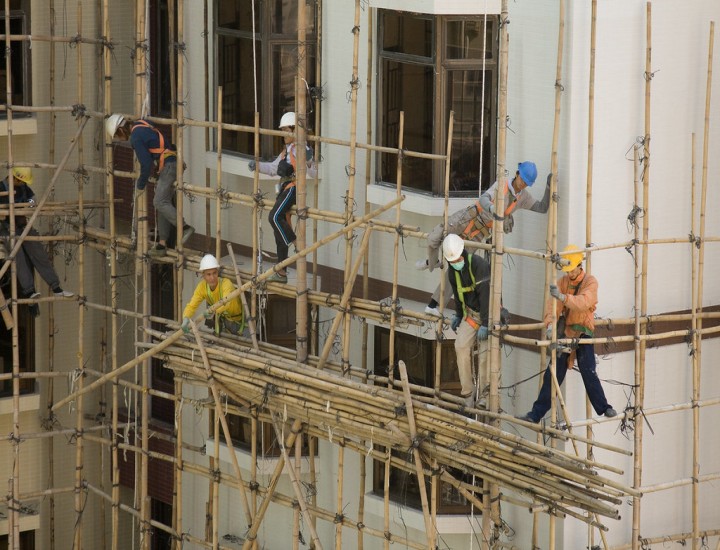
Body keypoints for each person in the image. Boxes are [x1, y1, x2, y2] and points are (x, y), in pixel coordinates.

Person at [419, 161, 551, 315]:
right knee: (435, 237)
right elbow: (483, 199)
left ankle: (433, 305)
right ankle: (432, 262)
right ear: (517, 174)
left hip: (479, 234)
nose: (523, 185)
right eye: (522, 180)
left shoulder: (523, 198)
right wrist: (492, 208)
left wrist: (549, 186)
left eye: (527, 183)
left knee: (457, 269)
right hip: (468, 218)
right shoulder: (501, 184)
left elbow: (542, 208)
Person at [517, 245, 617, 423]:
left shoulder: (590, 282)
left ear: (579, 265)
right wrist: (549, 324)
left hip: (583, 332)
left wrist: (563, 298)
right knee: (553, 373)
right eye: (567, 270)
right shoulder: (562, 282)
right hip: (566, 332)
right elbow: (553, 307)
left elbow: (584, 303)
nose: (569, 273)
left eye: (572, 270)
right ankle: (536, 414)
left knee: (588, 371)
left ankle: (604, 407)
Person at [105, 114, 195, 257]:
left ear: (121, 130)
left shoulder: (135, 137)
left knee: (159, 201)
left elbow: (146, 164)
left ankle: (185, 227)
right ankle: (162, 244)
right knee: (162, 204)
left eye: (117, 136)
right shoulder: (142, 123)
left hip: (168, 166)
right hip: (170, 163)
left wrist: (140, 185)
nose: (119, 139)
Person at [248, 111, 317, 283]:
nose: (283, 134)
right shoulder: (285, 152)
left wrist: (308, 158)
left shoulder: (300, 147)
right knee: (279, 232)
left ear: (294, 130)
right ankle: (281, 272)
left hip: (293, 190)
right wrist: (256, 166)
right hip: (284, 189)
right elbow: (272, 169)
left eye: (285, 130)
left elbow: (313, 170)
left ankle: (295, 241)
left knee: (274, 217)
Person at [0, 167, 74, 316]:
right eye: (21, 181)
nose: (22, 184)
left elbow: (32, 199)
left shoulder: (23, 188)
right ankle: (29, 292)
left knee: (38, 251)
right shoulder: (1, 188)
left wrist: (30, 204)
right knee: (18, 256)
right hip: (5, 229)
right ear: (15, 178)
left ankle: (56, 287)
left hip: (21, 226)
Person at [442, 234, 491, 409]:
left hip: (489, 314)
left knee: (486, 355)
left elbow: (486, 297)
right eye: (452, 261)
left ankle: (486, 395)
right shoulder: (452, 272)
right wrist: (457, 314)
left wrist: (486, 323)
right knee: (461, 346)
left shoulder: (480, 266)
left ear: (463, 252)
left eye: (458, 259)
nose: (456, 263)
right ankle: (468, 393)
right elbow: (458, 294)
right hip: (470, 315)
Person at [181, 254, 245, 336]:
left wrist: (213, 310)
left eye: (214, 273)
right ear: (203, 275)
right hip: (226, 322)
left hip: (242, 322)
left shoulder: (226, 284)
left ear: (217, 272)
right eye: (208, 274)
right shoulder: (202, 287)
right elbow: (192, 306)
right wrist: (186, 318)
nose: (212, 277)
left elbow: (226, 303)